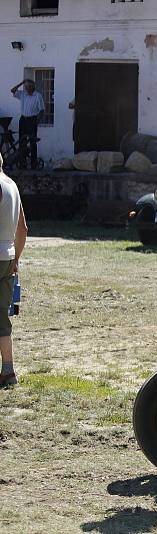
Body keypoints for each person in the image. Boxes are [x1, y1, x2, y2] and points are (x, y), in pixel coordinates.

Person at [0, 151, 27, 388]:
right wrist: (16, 257)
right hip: (8, 256)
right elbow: (23, 228)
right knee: (2, 316)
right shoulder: (13, 186)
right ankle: (8, 371)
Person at [10, 79, 45, 169]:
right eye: (26, 87)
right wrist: (21, 82)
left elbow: (42, 110)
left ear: (33, 87)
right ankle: (23, 163)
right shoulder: (23, 94)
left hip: (32, 119)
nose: (27, 89)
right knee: (22, 142)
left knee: (33, 142)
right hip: (23, 119)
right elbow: (12, 90)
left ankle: (33, 164)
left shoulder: (38, 96)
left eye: (29, 87)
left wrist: (36, 122)